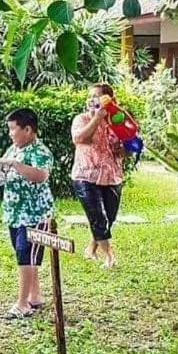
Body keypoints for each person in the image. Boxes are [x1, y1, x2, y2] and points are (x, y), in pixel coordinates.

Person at [0, 108, 54, 319]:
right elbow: (3, 173)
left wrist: (16, 165)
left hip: (35, 215)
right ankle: (34, 295)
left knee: (25, 255)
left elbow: (40, 176)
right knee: (25, 256)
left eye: (13, 129)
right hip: (14, 213)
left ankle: (22, 303)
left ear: (28, 129)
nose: (10, 133)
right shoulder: (13, 149)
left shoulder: (40, 152)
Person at [71, 82, 125, 269]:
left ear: (108, 100)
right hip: (86, 176)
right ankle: (110, 257)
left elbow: (124, 150)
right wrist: (97, 118)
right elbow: (78, 138)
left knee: (109, 217)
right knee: (99, 218)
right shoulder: (82, 119)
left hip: (112, 176)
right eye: (90, 96)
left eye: (96, 96)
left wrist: (124, 148)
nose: (91, 99)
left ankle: (91, 248)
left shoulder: (116, 122)